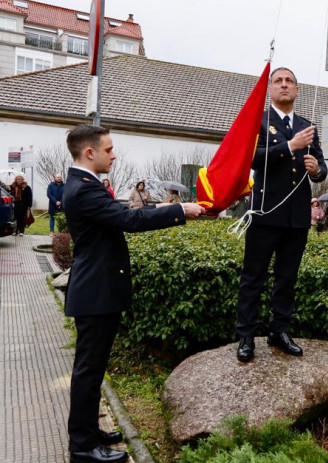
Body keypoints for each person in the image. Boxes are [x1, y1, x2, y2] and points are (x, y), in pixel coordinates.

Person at [62, 124, 205, 463]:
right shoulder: (83, 189)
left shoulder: (85, 184)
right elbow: (128, 220)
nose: (114, 155)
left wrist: (166, 210)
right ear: (89, 152)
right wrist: (179, 211)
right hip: (95, 293)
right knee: (88, 371)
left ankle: (90, 431)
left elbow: (122, 216)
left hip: (97, 290)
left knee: (93, 370)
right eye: (109, 149)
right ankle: (82, 446)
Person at [236, 66, 328, 362]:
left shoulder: (307, 124)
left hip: (297, 217)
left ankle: (280, 330)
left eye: (289, 81)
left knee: (287, 278)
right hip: (265, 213)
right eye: (279, 81)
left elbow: (322, 168)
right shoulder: (258, 122)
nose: (284, 85)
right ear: (271, 90)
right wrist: (290, 146)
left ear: (297, 90)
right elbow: (251, 159)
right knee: (253, 278)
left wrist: (317, 171)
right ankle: (246, 336)